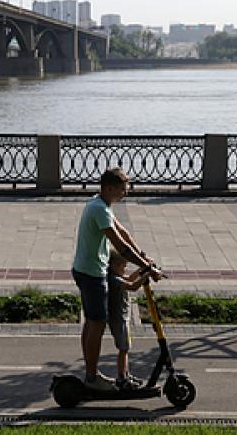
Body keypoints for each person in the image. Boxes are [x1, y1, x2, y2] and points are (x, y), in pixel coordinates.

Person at [72, 167, 162, 392]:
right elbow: (120, 245)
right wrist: (147, 267)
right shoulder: (99, 209)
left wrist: (143, 257)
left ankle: (90, 374)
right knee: (97, 324)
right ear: (110, 188)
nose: (126, 193)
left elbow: (124, 234)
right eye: (123, 189)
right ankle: (92, 378)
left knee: (92, 323)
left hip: (88, 269)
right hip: (92, 273)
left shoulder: (100, 204)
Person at [107, 248, 147, 390]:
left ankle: (126, 374)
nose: (125, 269)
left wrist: (142, 269)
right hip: (118, 319)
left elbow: (130, 279)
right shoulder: (114, 279)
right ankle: (121, 378)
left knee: (126, 348)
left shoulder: (115, 276)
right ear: (115, 266)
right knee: (123, 349)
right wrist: (147, 274)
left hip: (123, 317)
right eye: (123, 266)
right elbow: (133, 286)